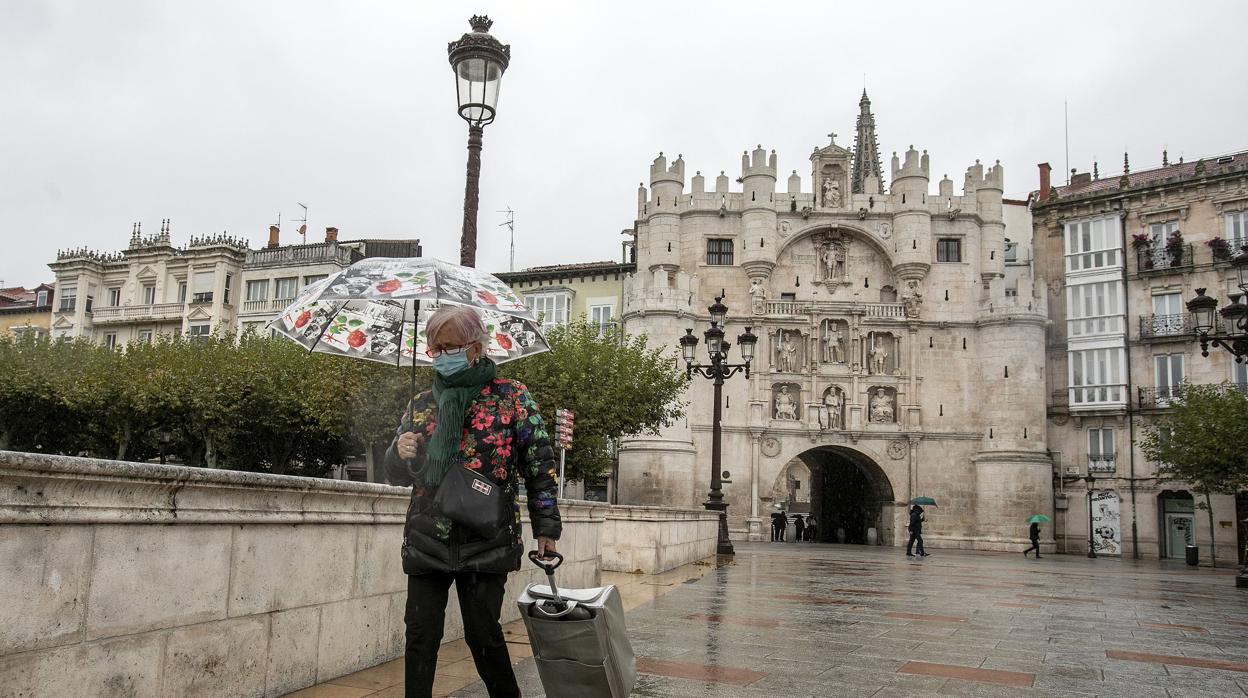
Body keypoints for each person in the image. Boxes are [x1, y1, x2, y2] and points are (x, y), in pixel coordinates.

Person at [384, 304, 561, 698]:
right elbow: (396, 476)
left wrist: (546, 528)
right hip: (428, 536)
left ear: (476, 347)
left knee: (484, 636)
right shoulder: (422, 402)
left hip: (487, 536)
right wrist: (401, 452)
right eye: (435, 348)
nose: (442, 355)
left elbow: (539, 464)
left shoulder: (511, 395)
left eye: (451, 346)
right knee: (419, 637)